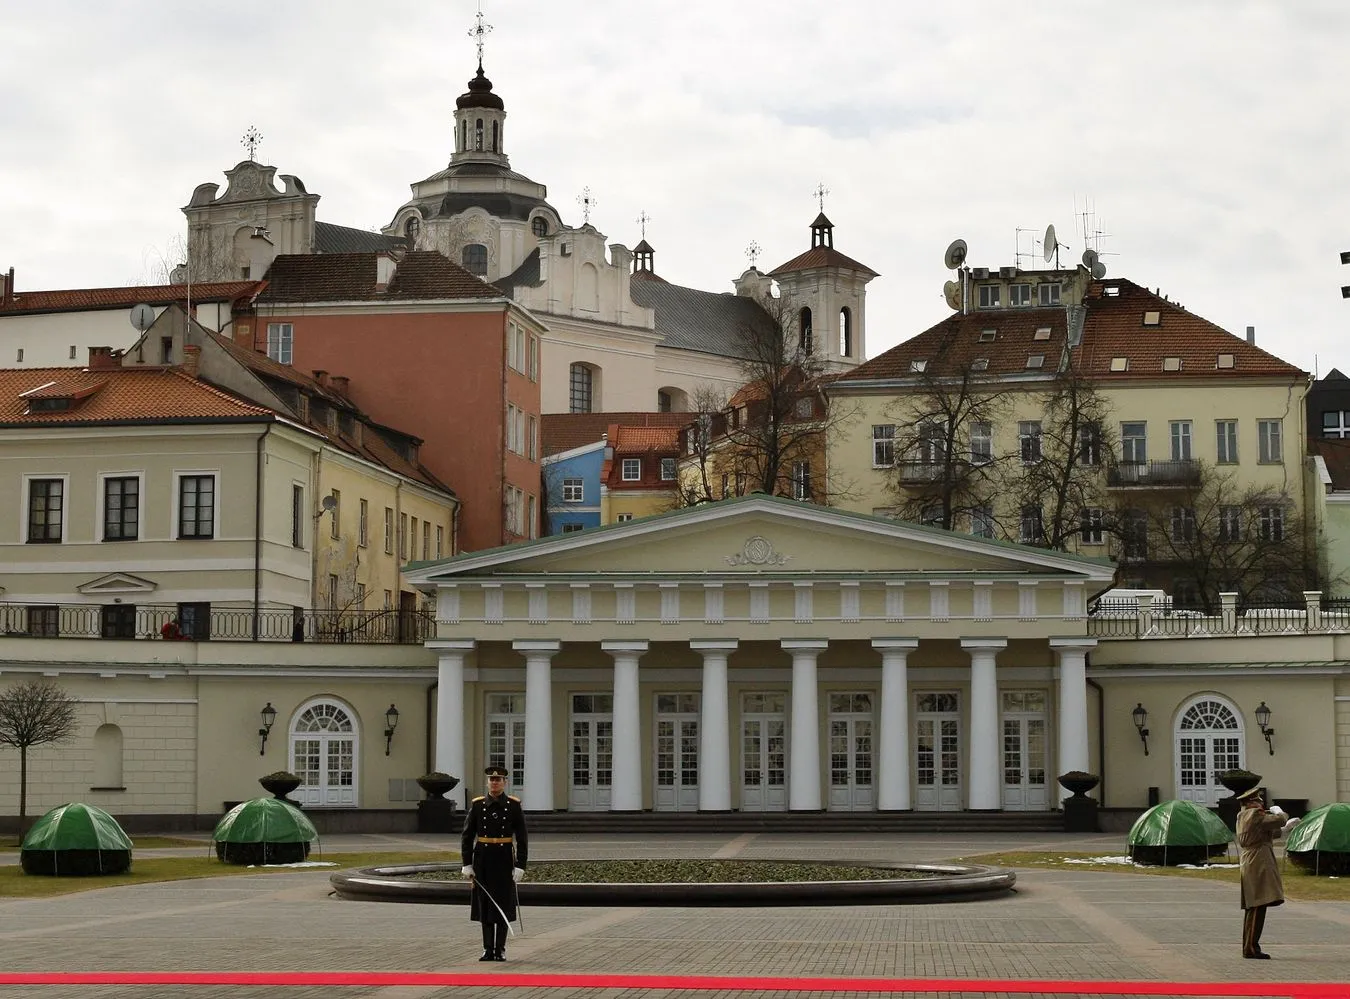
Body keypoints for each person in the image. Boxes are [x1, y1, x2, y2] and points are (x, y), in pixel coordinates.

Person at [460, 766, 527, 961]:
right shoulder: (478, 805)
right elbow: (467, 836)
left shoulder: (513, 806)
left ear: (505, 783)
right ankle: (487, 948)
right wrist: (467, 864)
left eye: (498, 780)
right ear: (487, 783)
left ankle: (500, 949)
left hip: (504, 858)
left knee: (504, 903)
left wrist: (520, 865)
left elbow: (522, 838)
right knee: (485, 903)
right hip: (483, 859)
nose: (495, 782)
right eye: (492, 779)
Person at [1236, 785, 1298, 959]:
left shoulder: (1244, 815)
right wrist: (1281, 813)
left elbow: (1264, 831)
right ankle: (1251, 948)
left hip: (1253, 859)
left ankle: (1250, 946)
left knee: (1255, 905)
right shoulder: (1254, 814)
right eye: (1257, 800)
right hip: (1258, 861)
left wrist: (1285, 829)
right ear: (1251, 802)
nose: (1260, 803)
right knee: (1257, 904)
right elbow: (1279, 820)